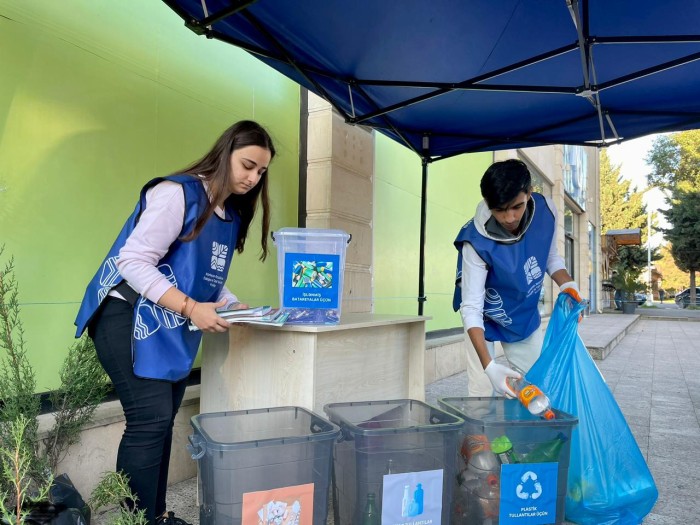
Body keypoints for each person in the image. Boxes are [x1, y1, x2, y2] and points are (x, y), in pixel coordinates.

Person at [74, 120, 276, 525]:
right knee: (148, 422)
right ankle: (135, 521)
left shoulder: (228, 213)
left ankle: (156, 515)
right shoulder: (177, 194)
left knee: (161, 424)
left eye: (261, 172)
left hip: (169, 328)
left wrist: (236, 307)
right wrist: (191, 309)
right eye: (247, 165)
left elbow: (205, 278)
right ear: (226, 153)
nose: (253, 178)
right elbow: (132, 262)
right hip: (126, 317)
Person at [452, 159, 582, 398]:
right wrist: (489, 367)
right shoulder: (475, 241)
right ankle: (482, 434)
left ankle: (529, 435)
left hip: (522, 311)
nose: (509, 218)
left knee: (539, 385)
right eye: (499, 210)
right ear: (488, 204)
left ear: (529, 193)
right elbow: (470, 307)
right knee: (481, 391)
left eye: (516, 207)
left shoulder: (547, 211)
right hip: (483, 317)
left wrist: (567, 284)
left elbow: (551, 257)